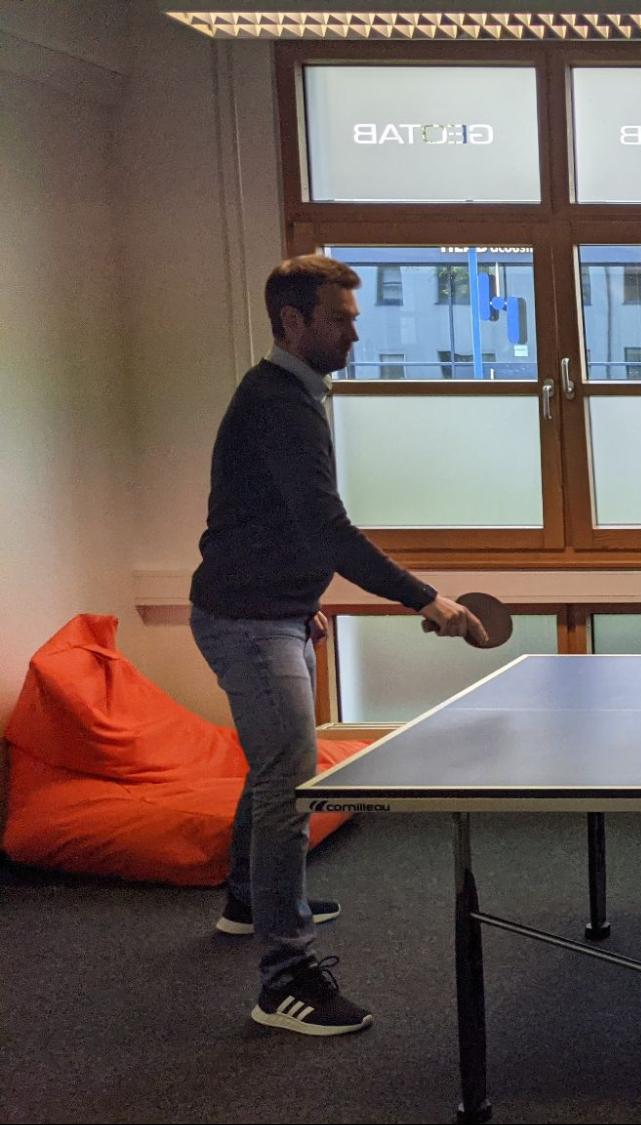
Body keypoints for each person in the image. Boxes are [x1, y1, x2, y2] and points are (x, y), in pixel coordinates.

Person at [189, 254, 485, 1036]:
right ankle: (284, 977)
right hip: (250, 623)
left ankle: (249, 899)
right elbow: (326, 524)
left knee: (272, 768)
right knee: (291, 781)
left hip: (272, 610)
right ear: (293, 322)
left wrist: (302, 595)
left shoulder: (285, 396)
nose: (356, 330)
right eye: (341, 318)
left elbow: (259, 514)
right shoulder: (279, 403)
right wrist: (425, 597)